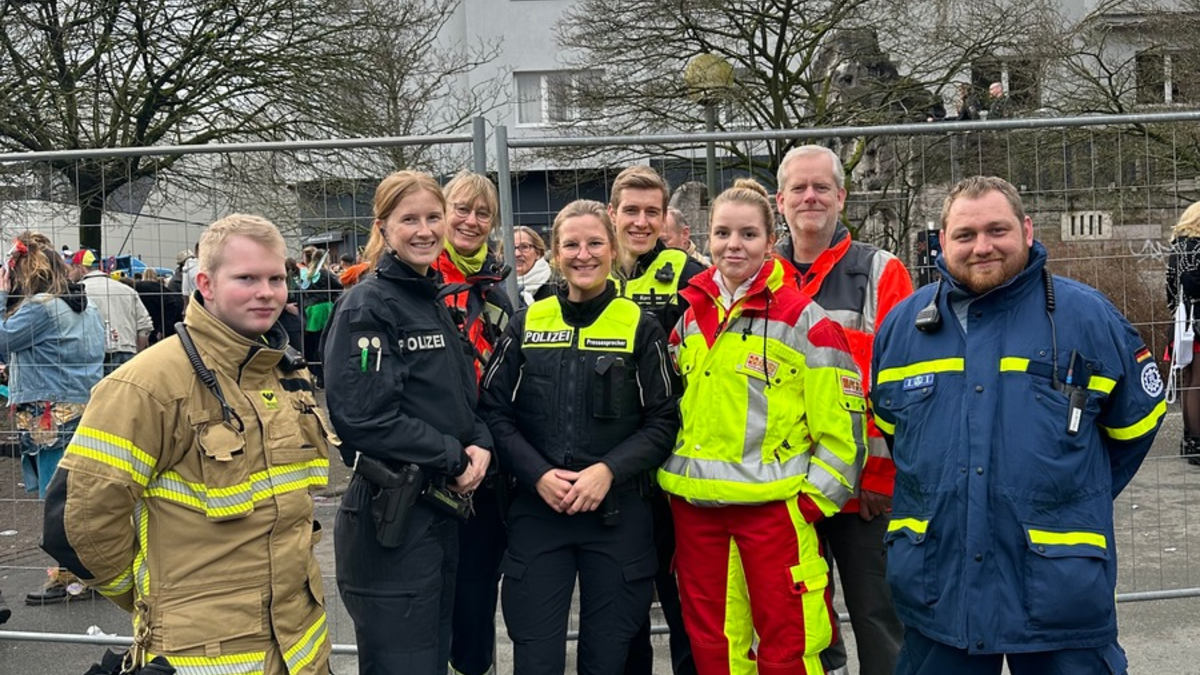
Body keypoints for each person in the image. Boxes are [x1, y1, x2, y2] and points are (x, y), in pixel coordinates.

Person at [871, 176, 1166, 674]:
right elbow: (897, 435)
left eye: (997, 230)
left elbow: (1134, 430)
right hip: (940, 585)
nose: (982, 246)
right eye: (965, 234)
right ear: (942, 241)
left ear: (1027, 230)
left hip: (1059, 592)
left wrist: (1069, 494)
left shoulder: (1088, 318)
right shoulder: (902, 328)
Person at [41, 214, 333, 674]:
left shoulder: (287, 372)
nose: (267, 292)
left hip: (301, 648)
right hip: (201, 655)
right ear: (206, 283)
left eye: (277, 278)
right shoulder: (148, 384)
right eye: (247, 278)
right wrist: (149, 596)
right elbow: (78, 523)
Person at [658, 179, 867, 675]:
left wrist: (809, 505)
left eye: (748, 234)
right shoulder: (689, 320)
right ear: (705, 239)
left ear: (771, 240)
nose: (734, 245)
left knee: (789, 644)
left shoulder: (807, 322)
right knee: (714, 648)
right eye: (723, 233)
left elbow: (843, 428)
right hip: (696, 512)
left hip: (775, 513)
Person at [481, 199, 679, 675]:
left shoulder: (641, 327)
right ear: (555, 251)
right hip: (538, 511)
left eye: (594, 243)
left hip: (617, 514)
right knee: (535, 658)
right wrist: (538, 474)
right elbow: (493, 410)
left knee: (608, 658)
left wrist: (608, 471)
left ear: (613, 250)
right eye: (571, 244)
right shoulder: (529, 322)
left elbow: (665, 420)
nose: (583, 254)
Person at [323, 170, 492, 675]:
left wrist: (480, 440)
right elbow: (363, 420)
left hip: (437, 513)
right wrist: (455, 456)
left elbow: (461, 397)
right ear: (383, 227)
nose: (424, 230)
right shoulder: (367, 307)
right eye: (409, 219)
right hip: (390, 519)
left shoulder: (431, 298)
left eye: (433, 217)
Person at [775, 144, 909, 675]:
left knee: (879, 616)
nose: (811, 197)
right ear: (780, 199)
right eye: (800, 189)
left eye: (822, 188)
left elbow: (898, 384)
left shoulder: (881, 271)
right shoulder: (764, 274)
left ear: (841, 197)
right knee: (806, 618)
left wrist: (880, 473)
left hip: (862, 492)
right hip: (788, 484)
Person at [609, 165, 705, 675]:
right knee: (623, 614)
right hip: (613, 466)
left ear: (666, 217)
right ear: (612, 214)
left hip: (675, 461)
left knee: (685, 605)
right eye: (631, 211)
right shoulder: (587, 272)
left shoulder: (691, 276)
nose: (641, 222)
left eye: (652, 212)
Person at [433, 170, 514, 675]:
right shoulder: (421, 278)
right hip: (433, 458)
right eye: (461, 208)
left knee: (478, 589)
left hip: (488, 462)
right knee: (431, 592)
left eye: (483, 213)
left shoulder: (498, 289)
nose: (471, 220)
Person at [0, 233, 104, 605]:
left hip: (49, 414)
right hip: (82, 405)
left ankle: (71, 574)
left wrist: (0, 295)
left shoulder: (40, 307)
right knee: (75, 493)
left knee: (55, 495)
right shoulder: (83, 305)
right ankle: (88, 568)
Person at [71, 248, 153, 374]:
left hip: (96, 355)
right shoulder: (127, 290)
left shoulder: (80, 292)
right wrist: (137, 352)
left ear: (81, 268)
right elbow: (145, 325)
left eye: (73, 268)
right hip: (128, 350)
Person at [1167, 201, 1200, 465]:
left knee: (1190, 380)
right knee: (1198, 382)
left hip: (1182, 323)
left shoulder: (1176, 248)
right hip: (1198, 322)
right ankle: (1197, 445)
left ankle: (1190, 441)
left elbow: (1170, 291)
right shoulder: (1198, 248)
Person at [133, 267, 183, 345]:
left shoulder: (135, 288)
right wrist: (164, 329)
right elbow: (173, 304)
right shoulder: (161, 288)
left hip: (141, 327)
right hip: (159, 326)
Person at [513, 225, 555, 307]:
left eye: (524, 247)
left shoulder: (556, 287)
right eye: (511, 248)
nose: (517, 254)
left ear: (538, 253)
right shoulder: (496, 290)